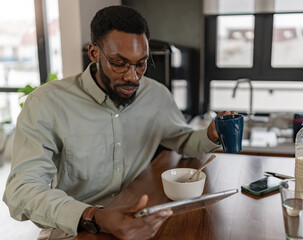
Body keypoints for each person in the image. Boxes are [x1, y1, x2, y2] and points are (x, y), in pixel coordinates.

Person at [3, 5, 235, 240]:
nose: (132, 77)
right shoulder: (46, 103)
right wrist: (94, 216)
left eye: (141, 64)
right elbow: (22, 191)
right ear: (94, 53)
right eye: (119, 63)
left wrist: (211, 134)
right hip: (74, 228)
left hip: (138, 217)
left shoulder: (156, 95)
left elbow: (182, 140)